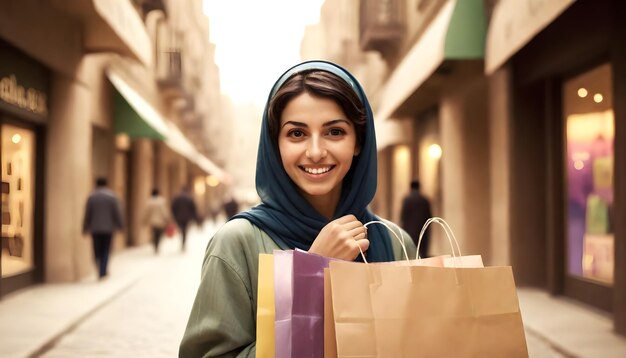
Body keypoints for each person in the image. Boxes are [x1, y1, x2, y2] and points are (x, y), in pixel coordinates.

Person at [179, 60, 416, 357]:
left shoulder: (395, 242)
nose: (316, 152)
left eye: (334, 132)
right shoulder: (236, 244)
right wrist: (314, 272)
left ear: (359, 142)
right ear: (275, 144)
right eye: (296, 134)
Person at [82, 177, 124, 279]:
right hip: (108, 228)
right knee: (106, 249)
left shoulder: (92, 197)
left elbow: (87, 213)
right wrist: (120, 225)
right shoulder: (112, 197)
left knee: (96, 249)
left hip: (95, 228)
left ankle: (99, 267)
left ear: (96, 184)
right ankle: (103, 270)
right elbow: (117, 212)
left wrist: (85, 227)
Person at [400, 179, 433, 258]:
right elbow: (430, 217)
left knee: (411, 254)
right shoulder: (425, 200)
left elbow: (403, 216)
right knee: (422, 254)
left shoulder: (407, 200)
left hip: (409, 232)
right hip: (423, 231)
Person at [142, 188, 171, 254]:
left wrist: (144, 220)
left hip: (152, 221)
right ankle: (157, 245)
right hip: (160, 221)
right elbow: (164, 211)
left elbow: (147, 212)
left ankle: (155, 245)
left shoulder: (149, 201)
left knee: (154, 234)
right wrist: (167, 218)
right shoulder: (162, 201)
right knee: (159, 234)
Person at [171, 186, 199, 251]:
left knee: (182, 229)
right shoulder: (189, 198)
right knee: (185, 230)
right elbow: (193, 208)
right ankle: (183, 242)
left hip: (179, 217)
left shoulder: (177, 197)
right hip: (187, 217)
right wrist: (194, 217)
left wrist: (175, 215)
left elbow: (173, 207)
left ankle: (182, 241)